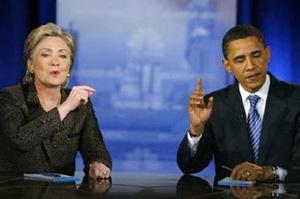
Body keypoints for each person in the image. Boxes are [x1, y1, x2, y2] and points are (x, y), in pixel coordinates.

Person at [177, 24, 300, 183]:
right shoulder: (214, 105)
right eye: (239, 59)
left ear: (268, 54)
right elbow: (189, 167)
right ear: (227, 66)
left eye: (256, 55)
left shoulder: (296, 99)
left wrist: (270, 172)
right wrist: (196, 130)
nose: (250, 66)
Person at [0, 23, 112, 179]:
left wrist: (98, 164)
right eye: (46, 54)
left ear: (69, 67)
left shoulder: (81, 105)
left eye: (63, 55)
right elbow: (20, 140)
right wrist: (65, 108)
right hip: (16, 191)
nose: (55, 62)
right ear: (31, 65)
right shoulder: (9, 97)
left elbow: (96, 150)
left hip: (63, 193)